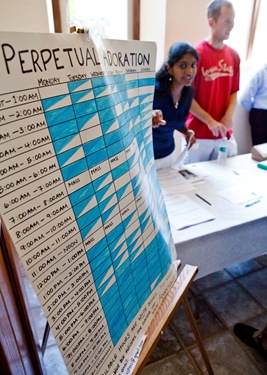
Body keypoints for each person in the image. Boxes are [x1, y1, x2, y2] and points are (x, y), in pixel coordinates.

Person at [186, 0, 240, 163]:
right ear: (212, 22)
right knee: (194, 184)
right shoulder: (194, 55)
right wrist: (210, 121)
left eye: (233, 20)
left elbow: (233, 92)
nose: (231, 26)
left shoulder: (234, 56)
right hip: (198, 135)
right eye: (227, 21)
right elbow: (186, 98)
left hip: (224, 135)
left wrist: (227, 118)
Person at [152, 41, 198, 170]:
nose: (190, 71)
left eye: (193, 65)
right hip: (148, 158)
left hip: (169, 154)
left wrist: (187, 132)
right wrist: (149, 116)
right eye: (183, 66)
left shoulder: (188, 92)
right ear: (169, 68)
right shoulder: (154, 91)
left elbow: (174, 120)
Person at [239, 63, 267, 146]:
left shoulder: (259, 71)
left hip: (260, 114)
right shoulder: (261, 70)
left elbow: (245, 97)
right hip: (260, 114)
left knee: (259, 151)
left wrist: (252, 110)